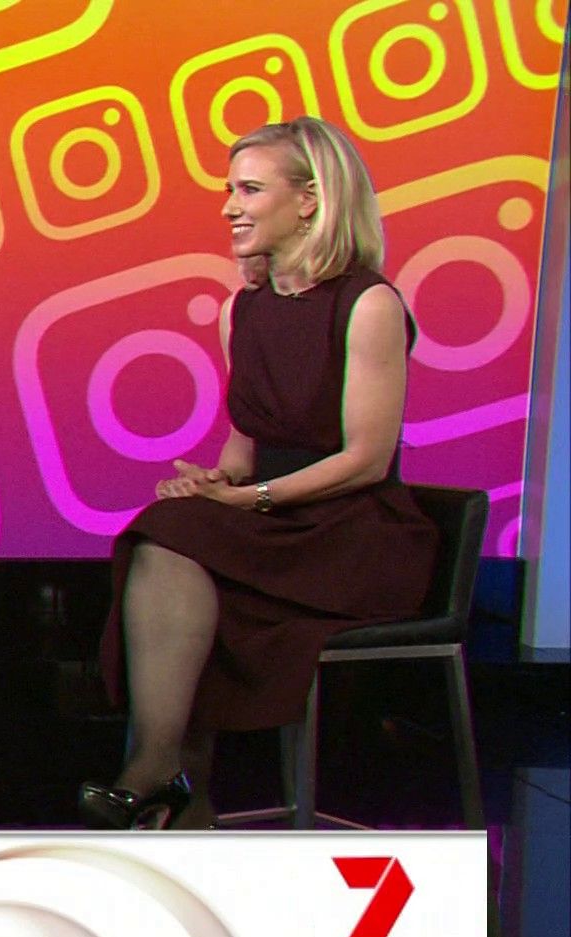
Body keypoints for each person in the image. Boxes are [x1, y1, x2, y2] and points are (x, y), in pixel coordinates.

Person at [80, 117, 439, 830]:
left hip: (350, 533)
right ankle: (169, 784)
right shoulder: (241, 309)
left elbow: (365, 458)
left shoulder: (367, 303)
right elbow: (247, 439)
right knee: (174, 530)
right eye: (229, 190)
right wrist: (218, 484)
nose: (229, 208)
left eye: (249, 190)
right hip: (271, 524)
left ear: (310, 200)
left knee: (180, 540)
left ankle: (162, 779)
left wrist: (252, 501)